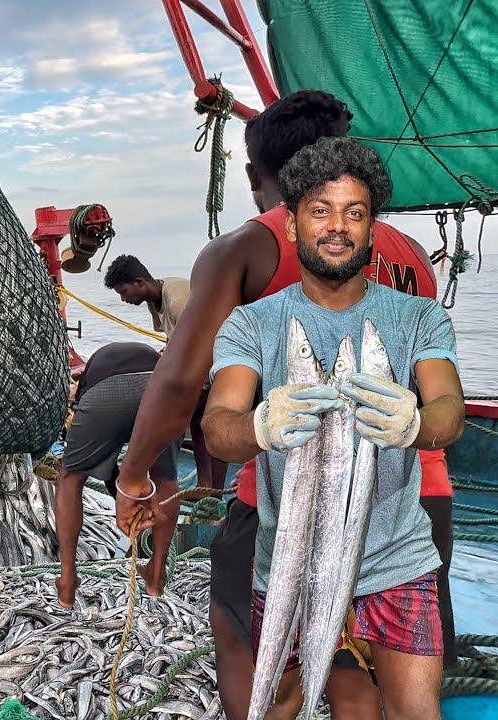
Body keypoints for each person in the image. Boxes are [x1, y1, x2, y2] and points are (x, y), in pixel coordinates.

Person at [109, 90, 457, 719]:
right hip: (423, 499)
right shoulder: (406, 251)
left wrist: (134, 473)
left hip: (319, 512)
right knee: (364, 685)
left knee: (258, 665)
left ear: (255, 176)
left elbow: (182, 378)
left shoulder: (244, 246)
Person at [201, 135, 463, 719]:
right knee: (277, 701)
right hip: (287, 558)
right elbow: (219, 426)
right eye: (320, 210)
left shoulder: (416, 315)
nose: (337, 227)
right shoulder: (252, 325)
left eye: (355, 212)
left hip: (398, 558)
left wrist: (416, 423)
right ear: (292, 224)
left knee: (417, 710)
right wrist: (261, 426)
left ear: (373, 228)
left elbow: (450, 409)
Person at [55, 342, 180, 607]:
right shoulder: (130, 355)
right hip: (159, 385)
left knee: (70, 477)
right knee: (166, 478)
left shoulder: (85, 384)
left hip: (106, 392)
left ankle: (67, 581)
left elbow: (104, 463)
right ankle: (156, 575)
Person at [103, 255, 225, 490]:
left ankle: (215, 491)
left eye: (124, 292)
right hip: (198, 358)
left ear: (139, 282)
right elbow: (174, 340)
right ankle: (204, 484)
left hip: (217, 358)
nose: (123, 299)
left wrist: (195, 385)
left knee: (212, 425)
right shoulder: (155, 298)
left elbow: (206, 341)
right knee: (197, 422)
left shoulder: (178, 301)